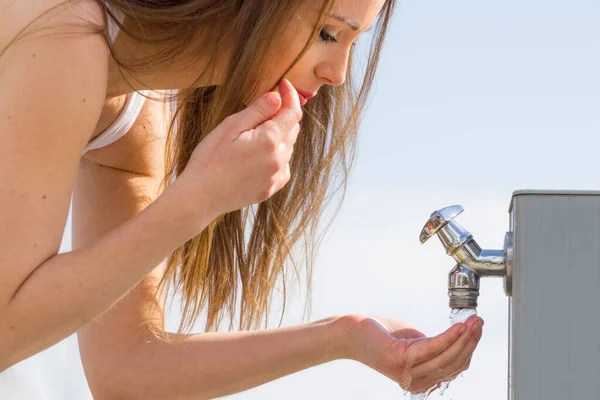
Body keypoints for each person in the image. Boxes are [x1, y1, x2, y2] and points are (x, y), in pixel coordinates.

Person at [0, 0, 484, 397]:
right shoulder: (66, 35)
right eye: (329, 34)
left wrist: (344, 336)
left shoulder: (135, 117)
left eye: (352, 42)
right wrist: (197, 200)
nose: (338, 73)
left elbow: (124, 369)